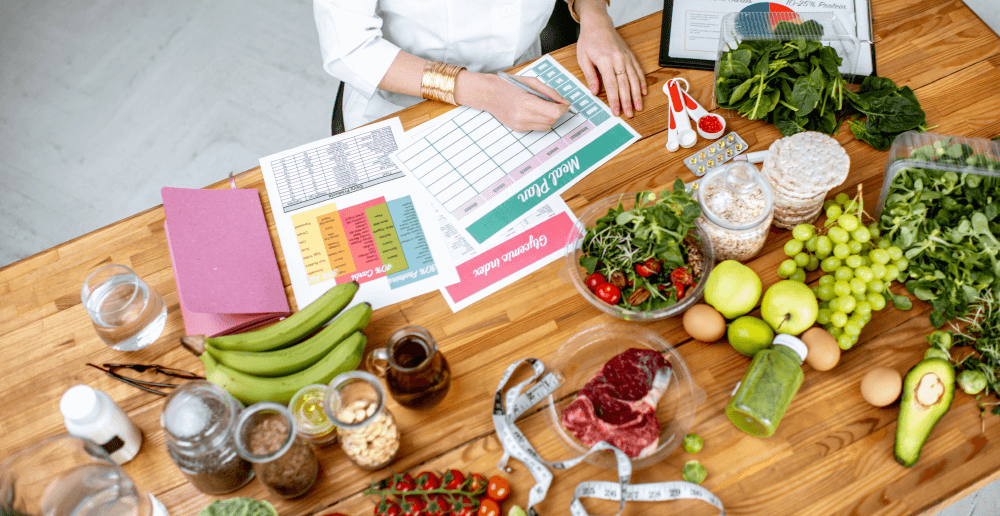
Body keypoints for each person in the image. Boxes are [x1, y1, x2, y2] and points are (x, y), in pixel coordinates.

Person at [314, 0, 647, 132]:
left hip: (523, 77)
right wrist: (485, 92)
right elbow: (349, 47)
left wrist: (595, 16)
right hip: (409, 105)